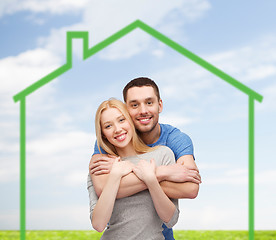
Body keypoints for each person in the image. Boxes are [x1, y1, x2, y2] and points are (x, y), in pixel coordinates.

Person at [88, 77, 201, 239]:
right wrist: (160, 173)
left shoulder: (171, 144)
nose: (143, 111)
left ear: (159, 105)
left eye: (149, 102)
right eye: (134, 105)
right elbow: (101, 189)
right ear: (127, 110)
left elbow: (190, 188)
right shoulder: (105, 148)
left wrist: (144, 176)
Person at [89, 98, 179, 240]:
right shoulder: (102, 165)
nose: (117, 129)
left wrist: (151, 179)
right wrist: (115, 175)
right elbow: (99, 224)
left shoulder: (162, 154)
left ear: (131, 121)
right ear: (102, 135)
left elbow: (171, 219)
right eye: (108, 126)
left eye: (121, 120)